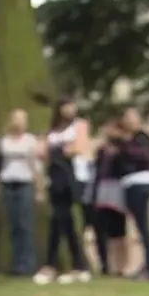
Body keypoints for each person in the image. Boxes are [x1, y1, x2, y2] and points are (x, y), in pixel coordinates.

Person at [33, 98, 91, 285]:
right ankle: (77, 265)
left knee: (61, 219)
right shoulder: (52, 131)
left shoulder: (79, 126)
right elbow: (41, 153)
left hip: (71, 176)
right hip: (55, 177)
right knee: (61, 220)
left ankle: (55, 264)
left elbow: (77, 148)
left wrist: (56, 150)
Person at [0, 109, 40, 277]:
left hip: (25, 182)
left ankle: (28, 263)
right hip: (8, 182)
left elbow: (35, 165)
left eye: (22, 120)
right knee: (13, 225)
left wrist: (39, 187)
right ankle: (16, 263)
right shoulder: (3, 141)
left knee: (26, 224)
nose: (19, 123)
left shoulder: (30, 141)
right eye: (16, 119)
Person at [118, 107, 149, 280]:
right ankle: (147, 265)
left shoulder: (142, 139)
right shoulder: (127, 140)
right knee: (139, 228)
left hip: (140, 182)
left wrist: (125, 145)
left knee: (144, 226)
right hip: (129, 183)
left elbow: (143, 156)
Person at [89, 118, 127, 276]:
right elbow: (96, 173)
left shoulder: (123, 149)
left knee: (119, 231)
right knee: (102, 229)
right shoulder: (101, 150)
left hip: (117, 188)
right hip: (103, 189)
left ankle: (121, 266)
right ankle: (106, 264)